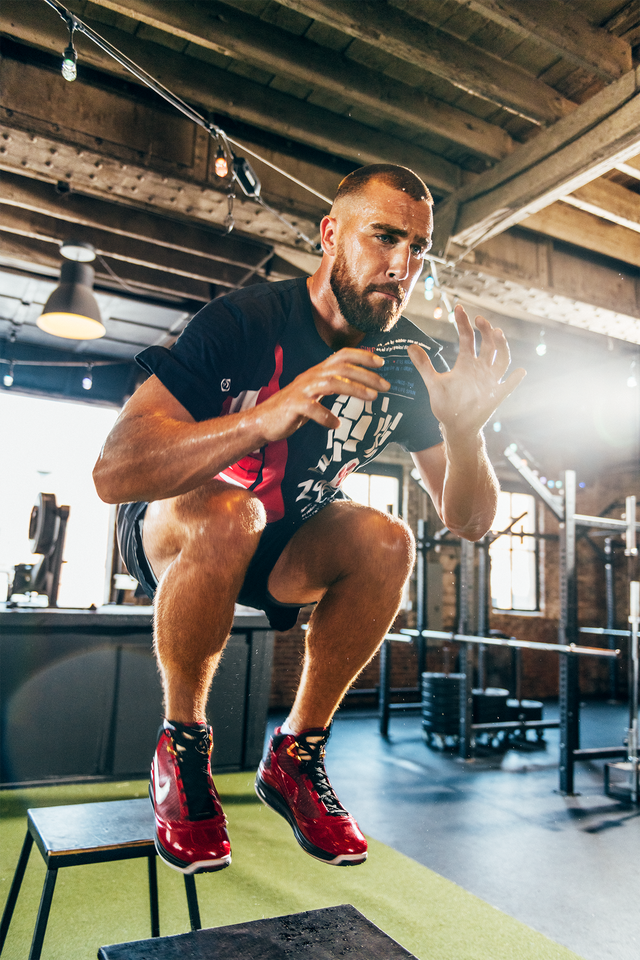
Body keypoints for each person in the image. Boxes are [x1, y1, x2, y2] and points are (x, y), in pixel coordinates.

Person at [93, 163, 525, 876]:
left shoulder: (411, 361)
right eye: (385, 237)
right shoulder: (244, 321)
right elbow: (115, 471)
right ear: (331, 234)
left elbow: (471, 521)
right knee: (231, 511)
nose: (402, 264)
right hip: (177, 524)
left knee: (388, 540)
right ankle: (183, 747)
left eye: (418, 248)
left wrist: (466, 436)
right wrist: (268, 415)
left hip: (283, 537)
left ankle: (297, 755)